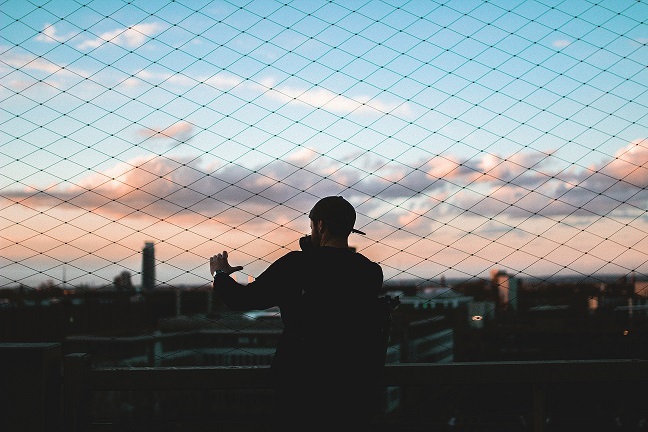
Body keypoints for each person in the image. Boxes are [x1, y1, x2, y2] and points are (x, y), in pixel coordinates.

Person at [210, 196, 385, 431]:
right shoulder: (371, 272)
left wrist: (220, 276)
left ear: (320, 225)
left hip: (301, 382)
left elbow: (242, 300)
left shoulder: (297, 265)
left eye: (312, 225)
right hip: (352, 383)